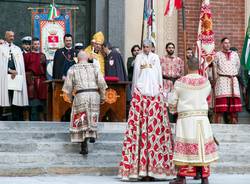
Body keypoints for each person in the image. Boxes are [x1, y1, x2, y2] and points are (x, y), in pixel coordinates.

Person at [118, 39, 175, 181]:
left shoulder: (155, 58)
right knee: (139, 131)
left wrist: (160, 93)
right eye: (143, 46)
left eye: (147, 46)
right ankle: (139, 169)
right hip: (140, 96)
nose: (145, 48)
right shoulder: (138, 58)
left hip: (155, 96)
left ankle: (156, 169)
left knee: (155, 132)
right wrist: (134, 94)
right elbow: (136, 76)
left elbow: (158, 76)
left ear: (152, 47)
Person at [168, 57, 218, 184]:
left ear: (187, 66)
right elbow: (207, 96)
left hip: (186, 119)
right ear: (198, 67)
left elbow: (172, 101)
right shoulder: (205, 82)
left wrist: (173, 110)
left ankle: (182, 177)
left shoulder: (180, 82)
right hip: (201, 117)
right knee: (201, 146)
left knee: (185, 147)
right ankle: (204, 176)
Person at [62, 50, 107, 155]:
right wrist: (103, 96)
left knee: (82, 118)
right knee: (93, 115)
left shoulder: (73, 68)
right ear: (87, 58)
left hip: (81, 95)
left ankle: (83, 144)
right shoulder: (94, 67)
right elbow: (101, 82)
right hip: (94, 94)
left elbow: (68, 86)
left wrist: (70, 97)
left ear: (77, 59)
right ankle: (92, 134)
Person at [212, 37, 242, 124]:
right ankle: (218, 124)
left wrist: (232, 73)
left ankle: (234, 123)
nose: (227, 44)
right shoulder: (217, 54)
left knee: (234, 107)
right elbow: (214, 66)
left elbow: (237, 66)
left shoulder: (235, 54)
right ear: (221, 44)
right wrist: (215, 79)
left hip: (233, 80)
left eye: (228, 43)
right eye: (225, 43)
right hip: (222, 80)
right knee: (221, 105)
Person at [0, 31, 28, 121]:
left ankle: (16, 118)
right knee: (3, 96)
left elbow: (20, 64)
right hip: (4, 77)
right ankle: (2, 118)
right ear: (5, 36)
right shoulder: (1, 48)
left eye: (13, 36)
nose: (12, 37)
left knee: (16, 96)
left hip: (15, 77)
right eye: (10, 36)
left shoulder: (17, 49)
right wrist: (9, 70)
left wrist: (16, 72)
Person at [23, 38, 47, 121]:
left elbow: (45, 68)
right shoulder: (27, 55)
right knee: (30, 99)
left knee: (41, 100)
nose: (36, 45)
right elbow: (24, 69)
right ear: (32, 45)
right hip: (31, 80)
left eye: (38, 44)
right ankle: (27, 118)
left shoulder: (43, 55)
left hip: (41, 80)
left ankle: (41, 118)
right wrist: (28, 78)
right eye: (35, 44)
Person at [160, 42, 184, 123]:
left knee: (175, 102)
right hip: (165, 82)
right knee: (166, 102)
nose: (171, 49)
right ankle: (166, 121)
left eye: (172, 47)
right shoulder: (161, 59)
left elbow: (181, 72)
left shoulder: (179, 60)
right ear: (166, 49)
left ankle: (175, 121)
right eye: (169, 47)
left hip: (175, 83)